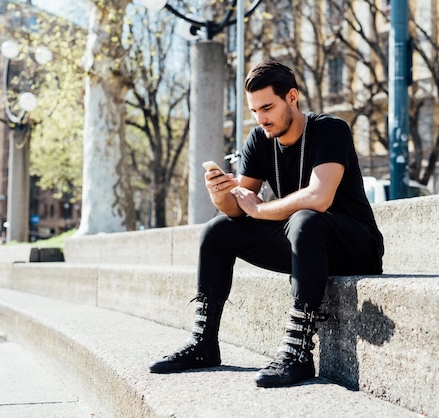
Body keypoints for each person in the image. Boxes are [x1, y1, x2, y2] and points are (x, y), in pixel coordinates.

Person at [149, 59, 384, 388]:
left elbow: (319, 198)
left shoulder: (331, 129)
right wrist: (220, 196)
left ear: (292, 97)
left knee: (305, 219)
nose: (261, 119)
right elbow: (239, 208)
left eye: (267, 108)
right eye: (255, 110)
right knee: (218, 230)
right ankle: (204, 343)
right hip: (303, 244)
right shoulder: (260, 139)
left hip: (354, 246)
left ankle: (298, 351)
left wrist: (261, 211)